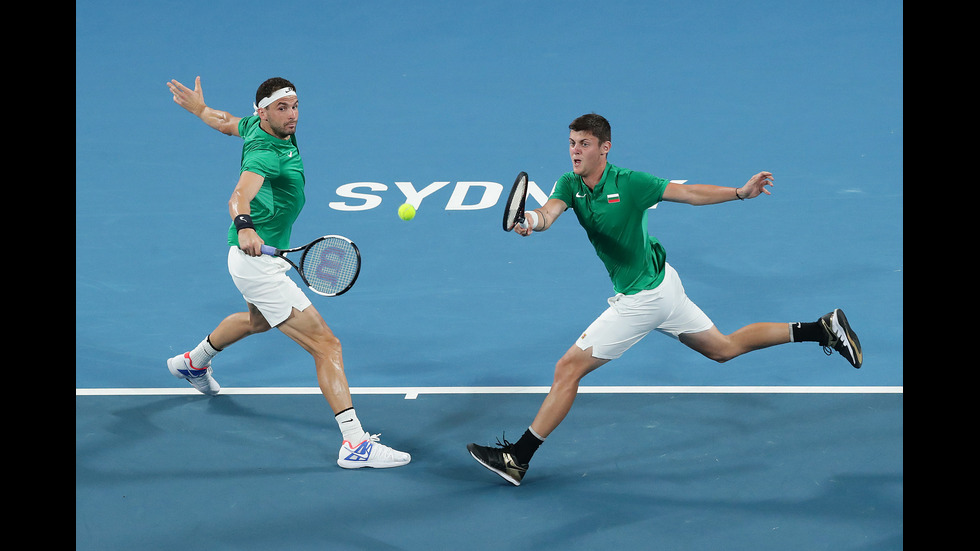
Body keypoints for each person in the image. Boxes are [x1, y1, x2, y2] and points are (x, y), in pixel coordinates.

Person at [467, 113, 861, 486]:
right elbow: (548, 214)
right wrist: (530, 223)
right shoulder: (569, 184)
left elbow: (687, 193)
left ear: (604, 148)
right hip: (665, 285)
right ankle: (822, 329)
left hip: (643, 299)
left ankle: (518, 457)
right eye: (571, 143)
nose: (575, 151)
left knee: (567, 368)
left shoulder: (631, 183)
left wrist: (740, 193)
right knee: (723, 349)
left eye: (584, 144)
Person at [164, 76, 410, 469]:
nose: (292, 114)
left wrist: (199, 109)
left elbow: (227, 120)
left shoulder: (258, 125)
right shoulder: (264, 154)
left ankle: (192, 362)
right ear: (265, 111)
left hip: (257, 260)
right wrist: (244, 223)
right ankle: (355, 444)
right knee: (327, 346)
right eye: (283, 108)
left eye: (295, 105)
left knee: (257, 322)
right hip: (255, 262)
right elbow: (239, 195)